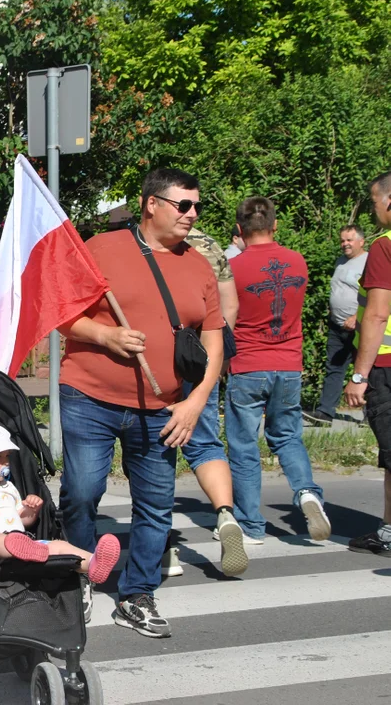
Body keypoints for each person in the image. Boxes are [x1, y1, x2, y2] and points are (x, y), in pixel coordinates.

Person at [58, 167, 224, 639]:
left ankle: (137, 595)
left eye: (196, 206)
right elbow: (64, 316)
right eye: (183, 205)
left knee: (155, 505)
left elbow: (213, 343)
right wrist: (105, 334)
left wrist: (194, 402)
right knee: (84, 491)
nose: (192, 215)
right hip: (89, 394)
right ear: (152, 203)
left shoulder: (198, 265)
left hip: (163, 407)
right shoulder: (103, 249)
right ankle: (79, 577)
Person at [227, 196, 331, 546]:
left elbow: (226, 317)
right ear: (275, 226)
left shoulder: (235, 268)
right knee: (288, 437)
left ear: (240, 230)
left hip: (247, 364)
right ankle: (307, 493)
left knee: (243, 446)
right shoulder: (297, 261)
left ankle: (252, 526)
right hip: (288, 363)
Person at [166, 228, 247, 578]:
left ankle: (163, 546)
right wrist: (216, 355)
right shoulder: (211, 246)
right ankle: (226, 515)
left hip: (162, 359)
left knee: (155, 448)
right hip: (202, 357)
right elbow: (229, 305)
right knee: (206, 442)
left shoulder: (146, 244)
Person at [0, 420, 120, 581]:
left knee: (58, 546)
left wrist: (31, 511)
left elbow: (22, 521)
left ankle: (92, 562)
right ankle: (20, 548)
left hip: (23, 540)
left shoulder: (7, 487)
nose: (6, 462)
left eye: (7, 456)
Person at [343, 170, 391, 558]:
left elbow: (375, 316)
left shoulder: (385, 247)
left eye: (374, 201)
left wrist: (359, 375)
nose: (374, 209)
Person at [308, 225, 368, 426]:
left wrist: (356, 316)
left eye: (350, 240)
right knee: (334, 368)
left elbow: (376, 296)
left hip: (360, 325)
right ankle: (325, 412)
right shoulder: (341, 262)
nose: (345, 244)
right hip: (337, 326)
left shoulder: (368, 262)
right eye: (343, 240)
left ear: (362, 241)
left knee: (367, 370)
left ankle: (372, 414)